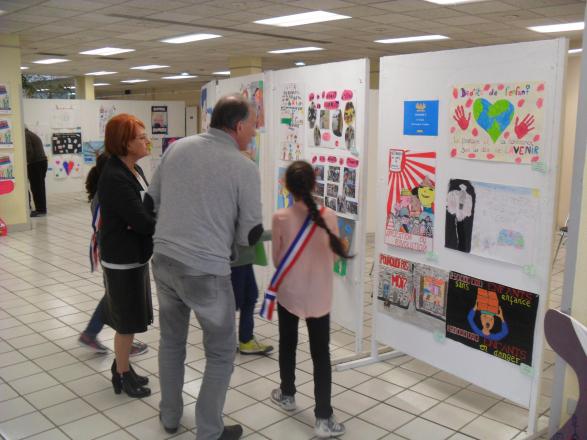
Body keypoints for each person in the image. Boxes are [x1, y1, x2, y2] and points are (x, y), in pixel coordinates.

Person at [148, 94, 263, 440]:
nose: (255, 132)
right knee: (220, 351)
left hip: (164, 260)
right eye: (254, 125)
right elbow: (250, 234)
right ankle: (209, 431)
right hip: (206, 270)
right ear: (239, 126)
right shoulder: (245, 167)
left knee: (171, 341)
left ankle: (170, 416)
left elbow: (150, 200)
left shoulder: (178, 148)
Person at [269, 160, 350, 438]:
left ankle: (288, 394)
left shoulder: (280, 217)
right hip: (319, 295)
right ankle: (323, 418)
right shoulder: (328, 217)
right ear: (314, 185)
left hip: (289, 293)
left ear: (286, 186)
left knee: (287, 343)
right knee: (321, 354)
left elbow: (278, 259)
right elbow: (336, 255)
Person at [98, 114, 155, 398]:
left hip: (134, 254)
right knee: (126, 323)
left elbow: (144, 214)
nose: (147, 141)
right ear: (125, 142)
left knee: (131, 319)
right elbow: (143, 222)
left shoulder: (132, 169)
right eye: (141, 137)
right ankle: (121, 375)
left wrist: (144, 218)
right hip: (122, 259)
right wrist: (145, 219)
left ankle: (123, 366)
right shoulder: (116, 177)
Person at [77, 152, 148, 357]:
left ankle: (104, 336)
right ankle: (109, 338)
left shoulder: (105, 188)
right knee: (118, 296)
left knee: (117, 295)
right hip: (117, 251)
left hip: (114, 249)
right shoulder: (110, 191)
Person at [25, 128, 48, 217]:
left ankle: (41, 210)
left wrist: (25, 162)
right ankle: (41, 209)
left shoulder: (25, 135)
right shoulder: (30, 134)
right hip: (40, 162)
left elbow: (29, 151)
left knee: (37, 188)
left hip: (35, 163)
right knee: (39, 187)